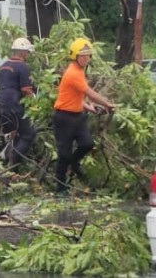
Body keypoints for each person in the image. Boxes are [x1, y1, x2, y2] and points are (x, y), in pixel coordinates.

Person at [53, 38, 116, 194]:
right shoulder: (73, 72)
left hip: (77, 116)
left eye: (88, 55)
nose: (86, 58)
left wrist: (89, 107)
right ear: (75, 56)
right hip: (64, 117)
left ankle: (74, 163)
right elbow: (90, 93)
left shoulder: (80, 71)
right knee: (64, 154)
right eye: (83, 55)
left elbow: (77, 96)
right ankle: (60, 187)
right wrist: (107, 104)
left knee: (87, 143)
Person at [0, 37, 37, 166]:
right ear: (23, 52)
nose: (28, 55)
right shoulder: (22, 67)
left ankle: (6, 164)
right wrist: (36, 103)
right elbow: (26, 90)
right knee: (29, 134)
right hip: (12, 106)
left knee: (12, 135)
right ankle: (13, 163)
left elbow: (0, 86)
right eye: (27, 52)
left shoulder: (2, 66)